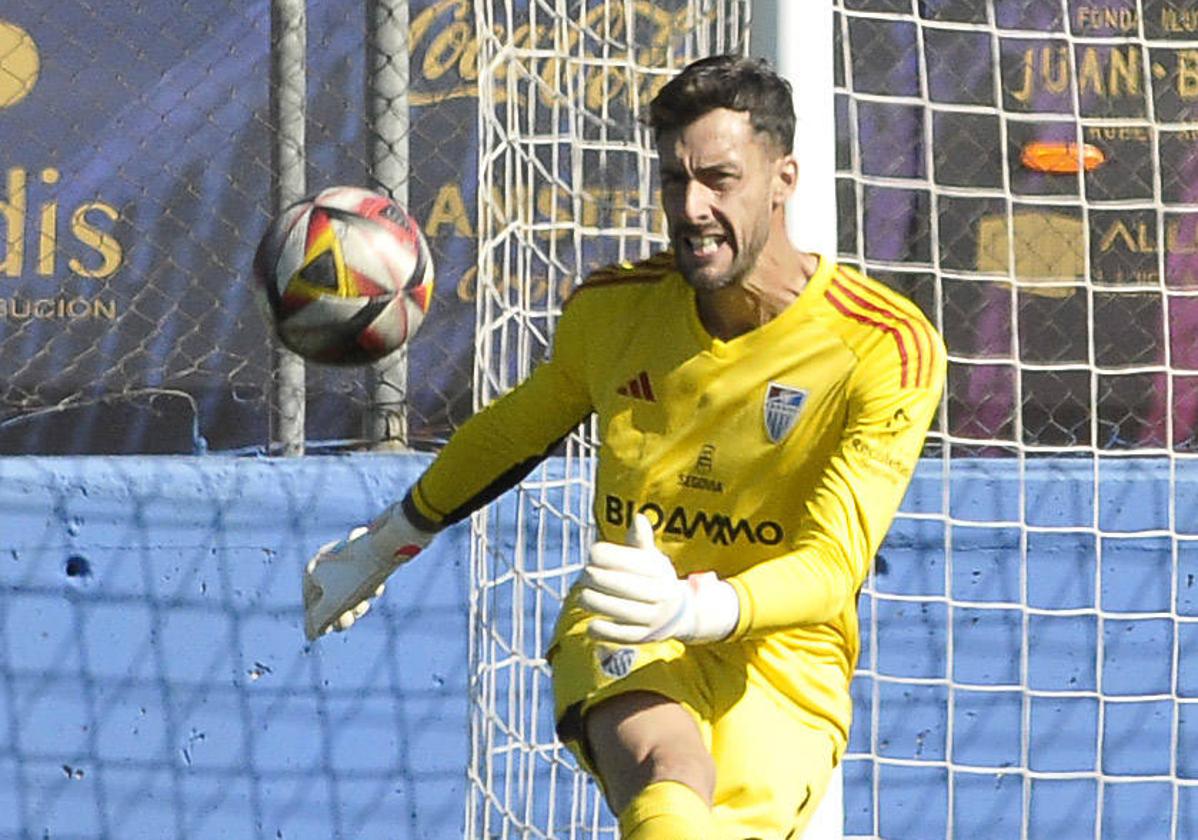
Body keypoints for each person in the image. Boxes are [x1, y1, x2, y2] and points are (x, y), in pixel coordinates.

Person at [302, 54, 945, 839]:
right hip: (625, 623)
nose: (693, 206)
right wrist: (392, 538)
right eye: (675, 181)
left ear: (784, 179)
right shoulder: (613, 311)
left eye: (720, 178)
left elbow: (832, 565)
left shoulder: (883, 346)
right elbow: (517, 428)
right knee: (666, 776)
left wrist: (696, 606)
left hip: (783, 658)